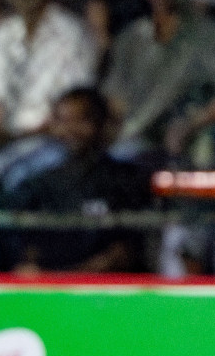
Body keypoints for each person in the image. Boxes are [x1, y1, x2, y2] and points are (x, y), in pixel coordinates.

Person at [102, 0, 215, 167]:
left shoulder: (205, 35)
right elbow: (114, 99)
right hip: (133, 141)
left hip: (187, 140)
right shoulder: (131, 38)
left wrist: (193, 123)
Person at [9, 89, 150, 274]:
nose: (71, 130)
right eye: (63, 121)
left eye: (82, 120)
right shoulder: (38, 184)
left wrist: (64, 279)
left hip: (108, 292)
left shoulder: (127, 179)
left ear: (101, 124)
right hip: (50, 292)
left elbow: (123, 254)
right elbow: (29, 252)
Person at [0, 0, 98, 167]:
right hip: (8, 138)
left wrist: (24, 133)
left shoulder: (71, 32)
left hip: (56, 140)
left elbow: (76, 105)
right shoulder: (4, 32)